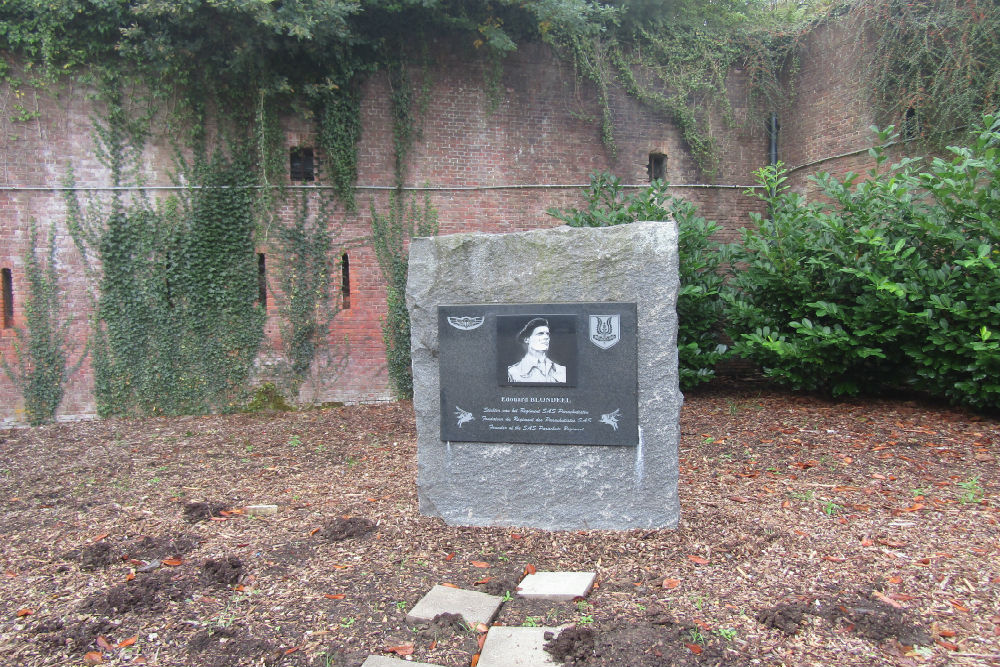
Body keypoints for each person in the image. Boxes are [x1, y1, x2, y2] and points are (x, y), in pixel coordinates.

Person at [507, 317, 566, 383]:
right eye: (540, 333)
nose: (546, 337)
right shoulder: (512, 372)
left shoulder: (562, 370)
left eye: (547, 334)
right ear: (527, 339)